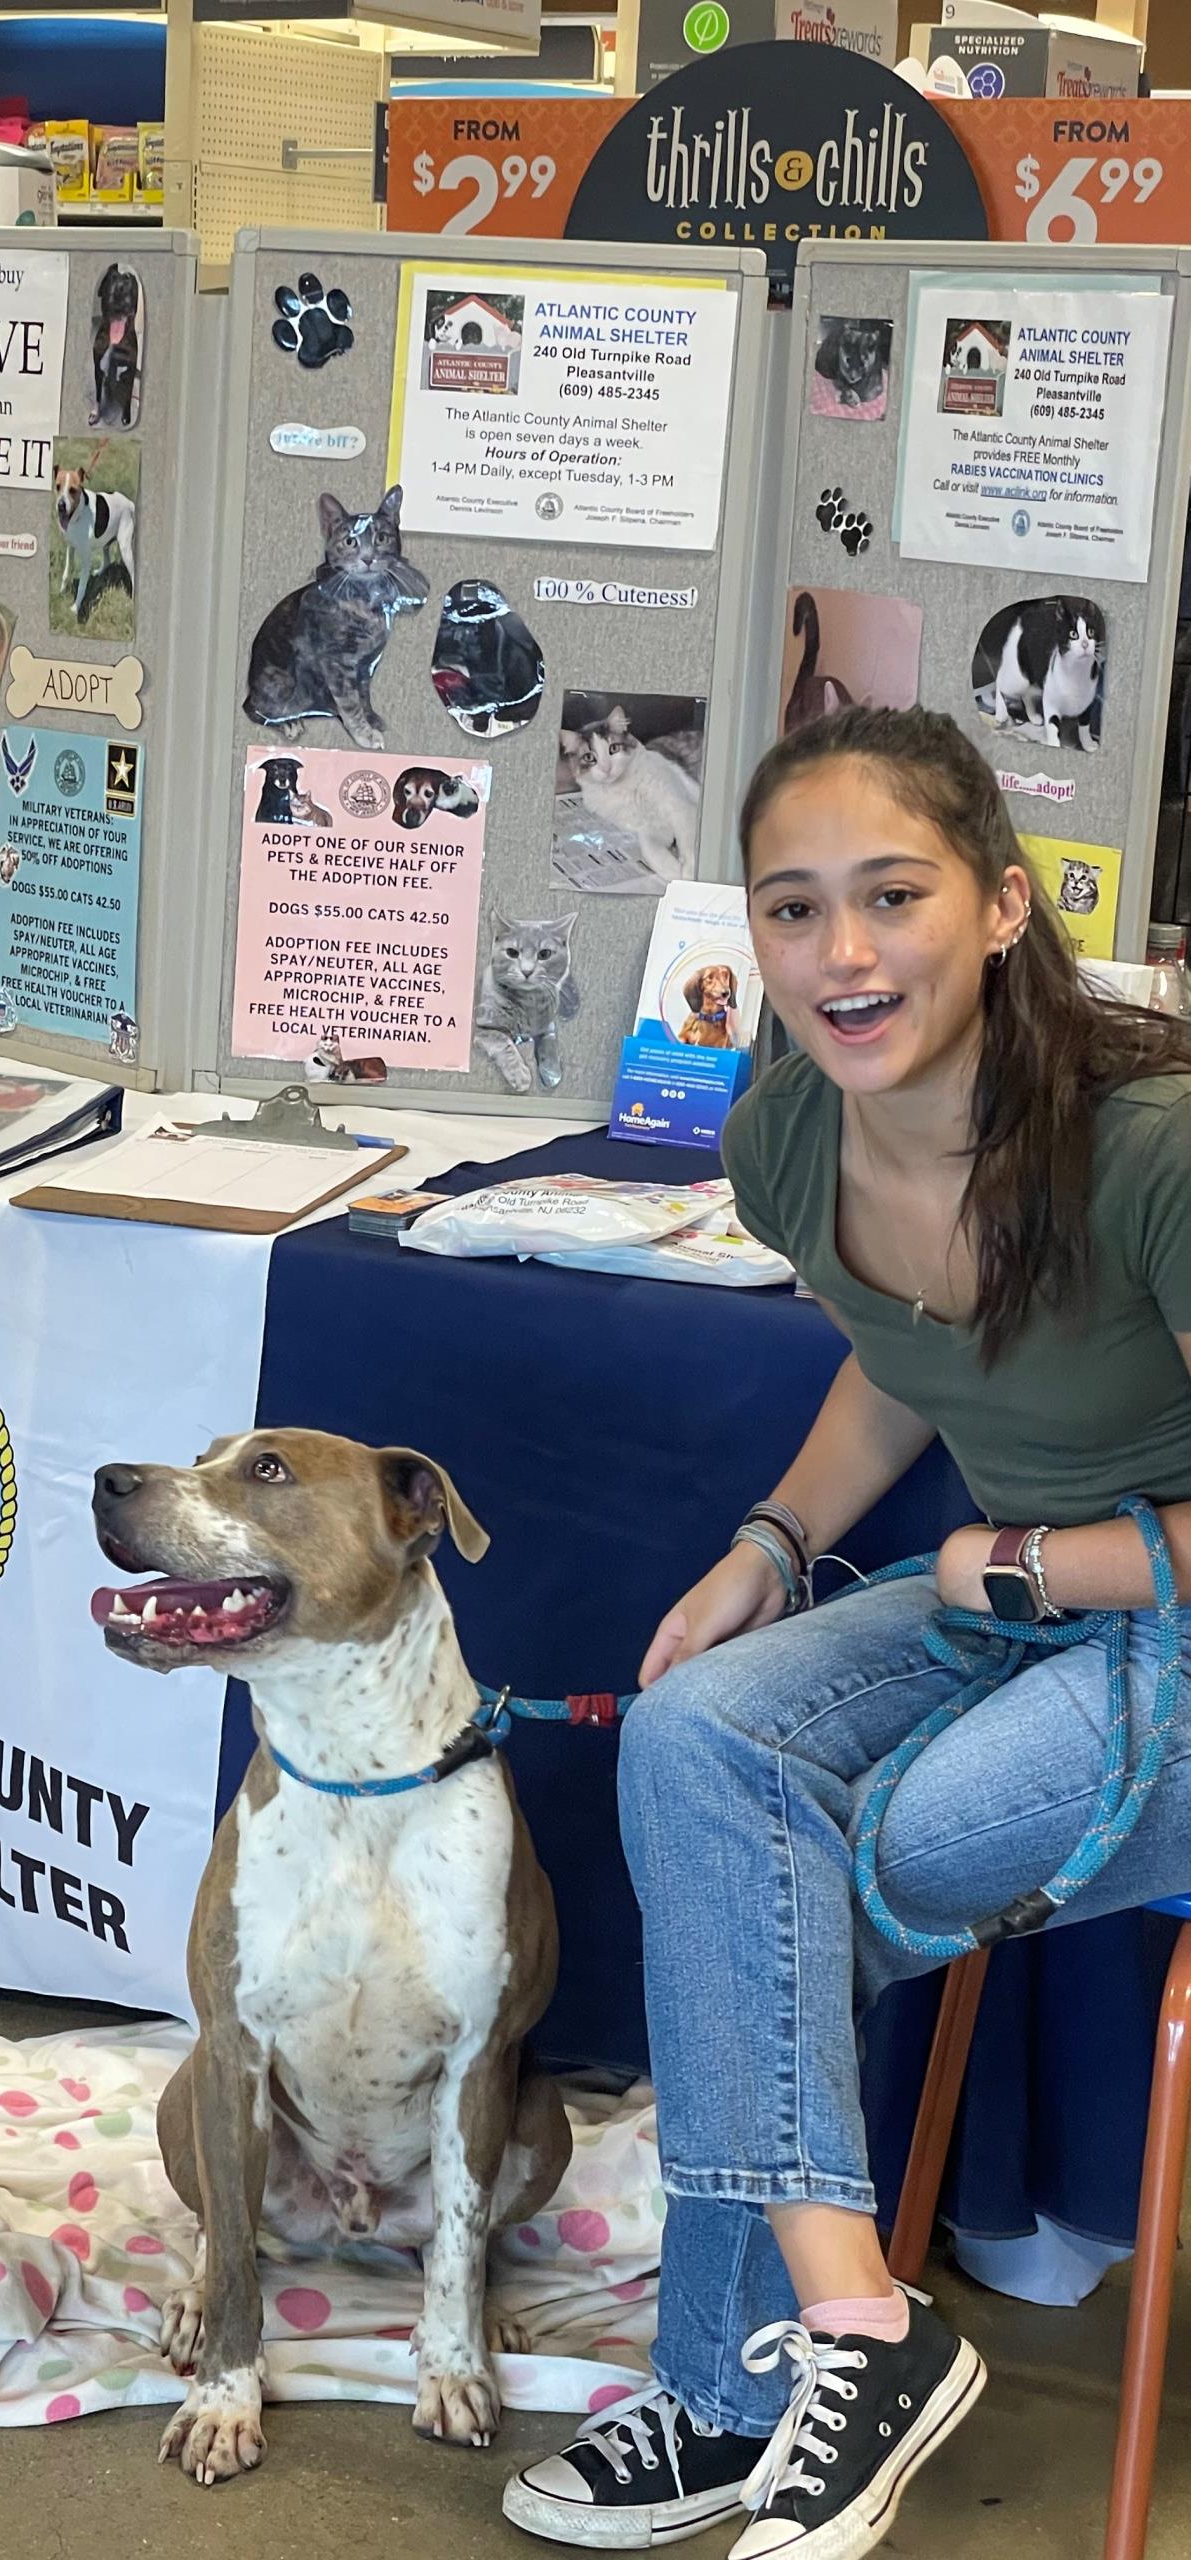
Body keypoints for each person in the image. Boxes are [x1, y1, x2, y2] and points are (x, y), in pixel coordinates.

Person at [507, 706, 1191, 2560]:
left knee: (809, 1868)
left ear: (997, 903)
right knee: (697, 1740)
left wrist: (1042, 1574)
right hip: (1028, 1596)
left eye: (892, 897)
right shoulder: (788, 1132)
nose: (843, 955)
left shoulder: (1152, 1149)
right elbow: (902, 1374)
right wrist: (774, 1541)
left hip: (1156, 1630)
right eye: (795, 912)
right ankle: (840, 2335)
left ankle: (769, 2375)